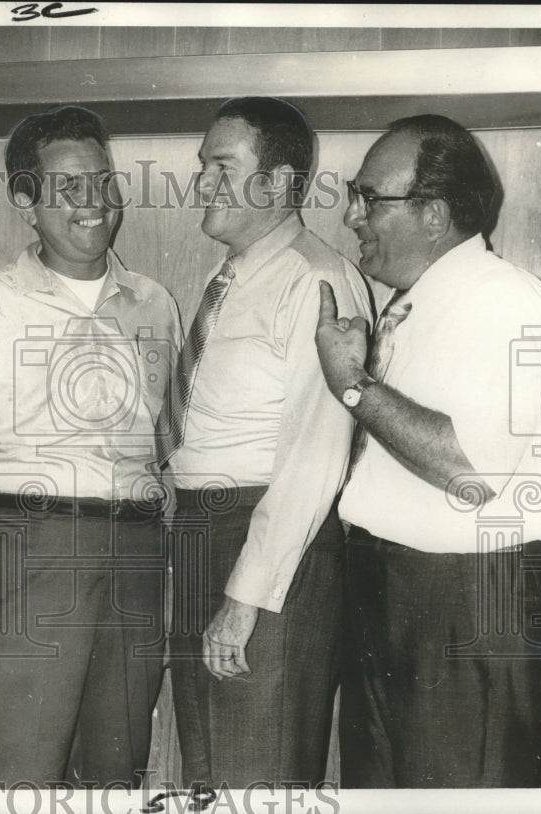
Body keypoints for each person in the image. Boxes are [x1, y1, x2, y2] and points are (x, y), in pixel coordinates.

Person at [0, 105, 181, 786]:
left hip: (135, 555)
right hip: (27, 549)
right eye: (68, 188)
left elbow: (168, 450)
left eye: (103, 182)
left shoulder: (155, 303)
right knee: (20, 768)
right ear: (26, 202)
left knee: (116, 767)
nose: (92, 204)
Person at [315, 114, 541, 787]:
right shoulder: (424, 301)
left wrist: (352, 384)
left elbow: (471, 472)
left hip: (466, 613)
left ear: (433, 213)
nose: (352, 216)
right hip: (402, 596)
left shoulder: (504, 301)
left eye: (370, 197)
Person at [160, 97, 370, 788]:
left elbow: (315, 457)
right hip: (202, 532)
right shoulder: (237, 278)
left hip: (269, 543)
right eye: (202, 167)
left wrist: (246, 597)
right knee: (210, 773)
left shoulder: (318, 281)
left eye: (222, 166)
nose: (202, 183)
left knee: (259, 775)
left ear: (278, 183)